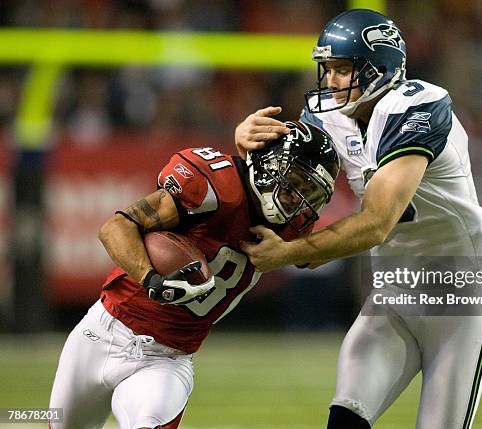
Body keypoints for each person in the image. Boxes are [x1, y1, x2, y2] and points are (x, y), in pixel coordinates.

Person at [235, 9, 482, 429]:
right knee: (345, 418)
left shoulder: (418, 106)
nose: (330, 82)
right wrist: (247, 143)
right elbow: (284, 176)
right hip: (393, 290)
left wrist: (289, 253)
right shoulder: (329, 115)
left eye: (342, 70)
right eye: (326, 70)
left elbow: (378, 222)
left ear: (379, 69)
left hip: (457, 294)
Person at [48, 120, 340, 429]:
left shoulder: (293, 225)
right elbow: (115, 228)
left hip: (167, 359)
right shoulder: (213, 185)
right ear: (269, 164)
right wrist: (152, 279)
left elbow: (325, 250)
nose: (298, 198)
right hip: (101, 334)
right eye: (295, 181)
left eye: (309, 191)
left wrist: (295, 251)